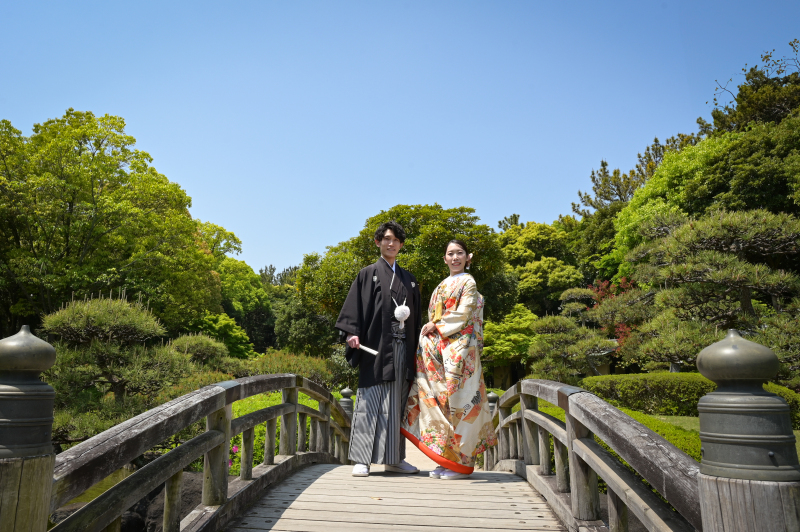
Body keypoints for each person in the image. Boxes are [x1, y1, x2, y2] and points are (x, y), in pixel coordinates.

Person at [402, 239, 497, 479]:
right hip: (439, 350)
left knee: (462, 404)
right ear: (444, 258)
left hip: (461, 352)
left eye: (460, 253)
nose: (455, 258)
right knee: (442, 403)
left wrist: (436, 326)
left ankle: (463, 465)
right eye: (450, 254)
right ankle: (447, 460)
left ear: (468, 257)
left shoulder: (468, 282)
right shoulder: (441, 285)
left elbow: (464, 314)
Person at [335, 220, 422, 477]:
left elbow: (416, 319)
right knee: (370, 402)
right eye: (386, 239)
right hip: (375, 347)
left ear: (401, 245)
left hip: (402, 348)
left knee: (396, 405)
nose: (391, 243)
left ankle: (394, 459)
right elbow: (355, 307)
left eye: (396, 240)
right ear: (378, 242)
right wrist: (352, 332)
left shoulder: (410, 280)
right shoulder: (367, 273)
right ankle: (362, 459)